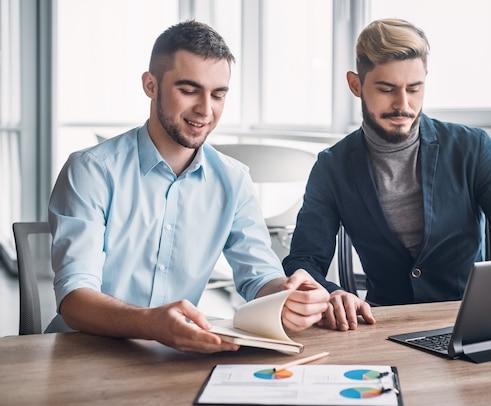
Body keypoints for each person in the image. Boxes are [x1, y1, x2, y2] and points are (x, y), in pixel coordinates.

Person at [282, 18, 491, 342]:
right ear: (356, 85)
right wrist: (329, 293)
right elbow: (304, 259)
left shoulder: (473, 148)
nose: (403, 105)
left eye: (414, 88)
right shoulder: (332, 166)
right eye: (386, 89)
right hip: (382, 326)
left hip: (472, 326)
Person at [47, 20, 329, 353]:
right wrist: (150, 323)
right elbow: (74, 299)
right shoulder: (91, 170)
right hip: (82, 352)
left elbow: (259, 276)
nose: (205, 110)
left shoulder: (234, 180)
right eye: (189, 90)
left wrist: (290, 295)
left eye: (218, 94)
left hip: (172, 357)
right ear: (151, 85)